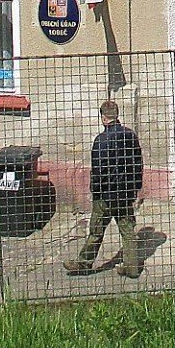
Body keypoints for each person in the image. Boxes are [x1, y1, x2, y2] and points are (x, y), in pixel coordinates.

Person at [66, 100, 143, 278]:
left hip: (106, 194)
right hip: (125, 193)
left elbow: (99, 169)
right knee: (128, 230)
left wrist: (95, 191)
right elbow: (138, 164)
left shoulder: (100, 140)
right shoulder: (130, 136)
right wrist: (135, 188)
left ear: (103, 117)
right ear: (116, 115)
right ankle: (132, 267)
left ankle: (84, 263)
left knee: (96, 230)